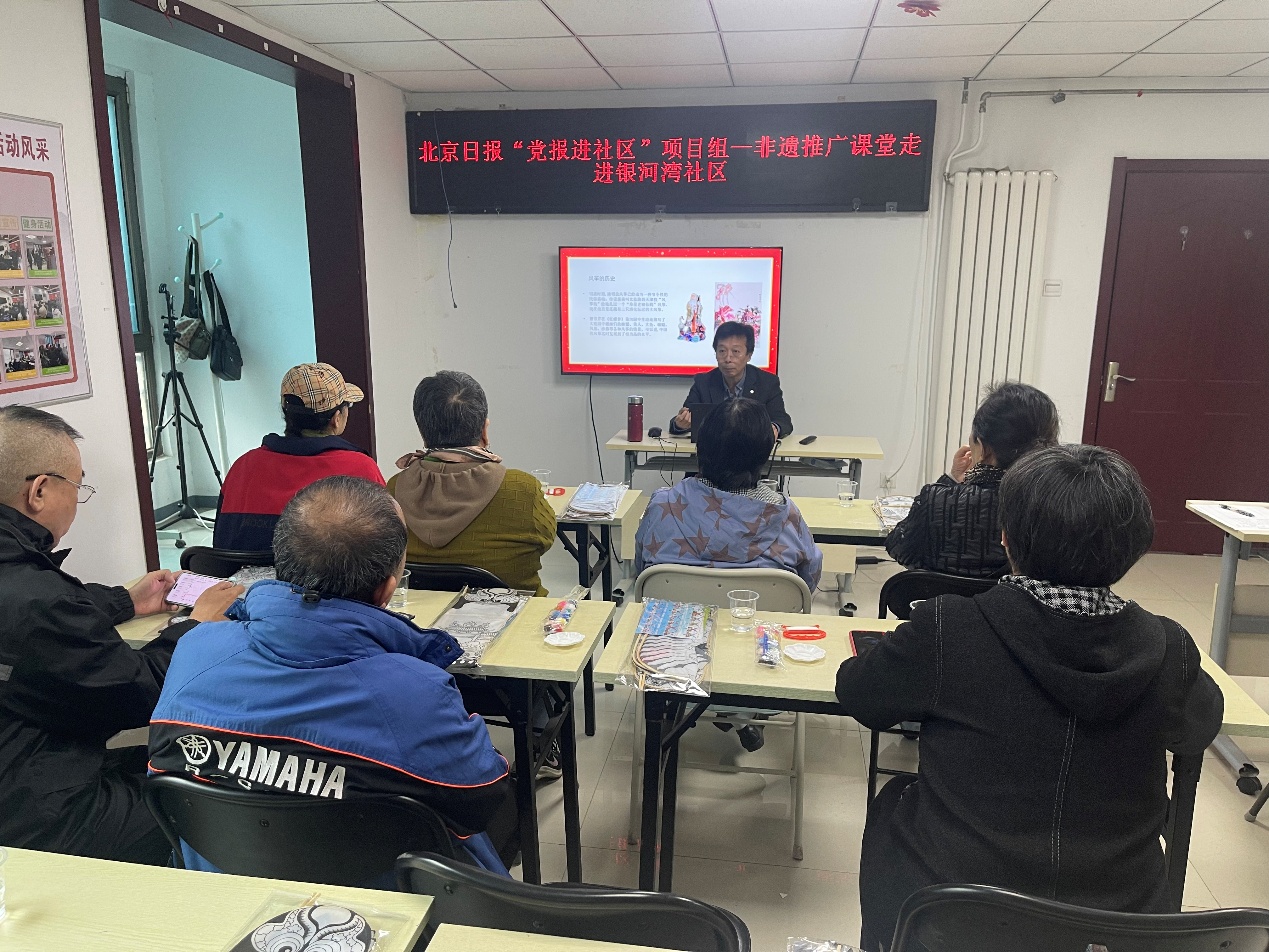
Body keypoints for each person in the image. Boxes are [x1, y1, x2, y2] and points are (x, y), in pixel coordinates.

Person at [836, 445, 1223, 951]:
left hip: (960, 908)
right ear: (1134, 546)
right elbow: (1198, 726)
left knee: (893, 801)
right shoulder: (1168, 646)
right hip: (1118, 918)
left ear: (1005, 535)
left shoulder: (948, 626)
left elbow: (862, 695)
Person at [149, 476, 519, 877]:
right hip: (386, 902)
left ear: (281, 564)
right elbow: (482, 797)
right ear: (387, 590)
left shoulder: (194, 650)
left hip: (229, 888)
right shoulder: (417, 693)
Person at [0, 405, 241, 864]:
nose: (78, 500)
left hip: (24, 762)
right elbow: (139, 694)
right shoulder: (38, 599)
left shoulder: (26, 584)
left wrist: (126, 601)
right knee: (215, 785)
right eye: (77, 487)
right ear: (39, 491)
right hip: (36, 814)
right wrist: (198, 627)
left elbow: (40, 618)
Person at [635, 399, 822, 752]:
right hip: (758, 662)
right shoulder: (787, 517)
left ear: (700, 449)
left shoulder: (662, 506)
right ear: (765, 455)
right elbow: (807, 584)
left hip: (672, 660)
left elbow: (643, 575)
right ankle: (737, 710)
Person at [389, 371, 555, 596]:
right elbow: (546, 539)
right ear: (484, 430)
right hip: (517, 614)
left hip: (419, 617)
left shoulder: (394, 491)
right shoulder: (523, 490)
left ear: (422, 431)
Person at [885, 381, 1059, 578]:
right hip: (1020, 598)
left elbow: (899, 547)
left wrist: (950, 480)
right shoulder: (1059, 505)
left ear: (983, 449)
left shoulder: (936, 501)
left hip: (941, 598)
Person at [214, 363, 384, 551]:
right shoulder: (361, 468)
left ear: (286, 412)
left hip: (243, 572)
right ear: (336, 418)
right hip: (326, 571)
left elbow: (223, 540)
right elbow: (387, 542)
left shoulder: (244, 466)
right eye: (347, 405)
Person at [669, 321, 793, 439]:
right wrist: (680, 424)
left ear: (749, 355)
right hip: (713, 451)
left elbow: (783, 421)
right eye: (722, 351)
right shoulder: (703, 382)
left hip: (751, 451)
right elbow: (681, 420)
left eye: (736, 351)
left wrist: (774, 428)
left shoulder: (767, 382)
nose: (728, 358)